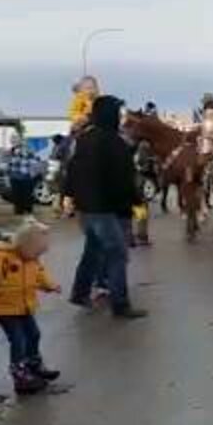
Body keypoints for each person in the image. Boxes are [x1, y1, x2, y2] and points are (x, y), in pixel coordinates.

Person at [65, 95, 148, 319]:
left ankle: (80, 293)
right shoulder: (113, 142)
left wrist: (70, 196)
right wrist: (136, 201)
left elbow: (71, 170)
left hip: (86, 210)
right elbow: (124, 178)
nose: (121, 118)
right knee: (117, 254)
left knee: (92, 252)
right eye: (118, 113)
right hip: (105, 210)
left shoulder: (84, 139)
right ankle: (120, 304)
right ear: (110, 114)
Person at [0, 220, 62, 395]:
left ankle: (33, 364)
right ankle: (20, 374)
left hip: (25, 306)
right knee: (18, 340)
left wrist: (50, 285)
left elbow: (39, 274)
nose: (36, 257)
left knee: (34, 334)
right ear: (25, 245)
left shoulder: (32, 259)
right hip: (5, 309)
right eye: (35, 252)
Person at [3, 133, 44, 215]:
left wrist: (32, 173)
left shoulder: (28, 150)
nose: (13, 141)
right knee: (17, 195)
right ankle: (19, 211)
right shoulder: (10, 151)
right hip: (14, 176)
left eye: (15, 139)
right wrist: (7, 172)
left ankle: (28, 211)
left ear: (20, 140)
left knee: (27, 195)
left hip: (26, 176)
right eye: (12, 140)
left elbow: (35, 162)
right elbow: (7, 163)